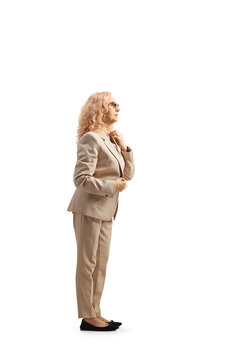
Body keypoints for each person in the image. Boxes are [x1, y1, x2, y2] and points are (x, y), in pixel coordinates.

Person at [67, 91, 135, 331]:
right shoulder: (91, 139)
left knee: (100, 264)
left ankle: (96, 312)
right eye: (112, 104)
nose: (118, 107)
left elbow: (128, 175)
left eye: (118, 103)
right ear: (100, 109)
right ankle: (87, 315)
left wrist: (125, 148)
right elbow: (81, 179)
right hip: (88, 209)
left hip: (106, 210)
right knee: (87, 264)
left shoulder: (111, 139)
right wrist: (111, 186)